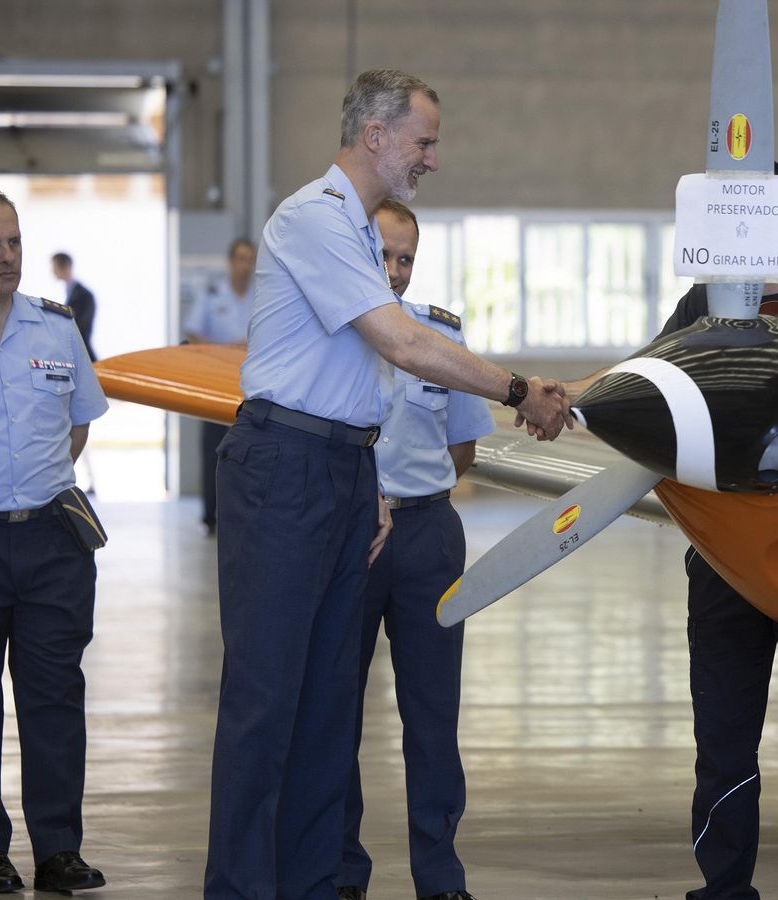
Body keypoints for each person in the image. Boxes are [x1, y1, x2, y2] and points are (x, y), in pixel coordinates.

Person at [204, 68, 570, 900]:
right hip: (284, 472)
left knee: (327, 709)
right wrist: (518, 389)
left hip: (341, 471)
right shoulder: (314, 218)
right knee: (266, 701)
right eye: (423, 141)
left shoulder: (362, 234)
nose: (431, 159)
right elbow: (401, 345)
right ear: (375, 135)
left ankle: (308, 886)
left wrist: (365, 473)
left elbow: (353, 377)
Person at [560, 216, 778, 899]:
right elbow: (645, 377)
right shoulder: (700, 306)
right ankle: (724, 887)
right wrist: (565, 399)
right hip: (723, 557)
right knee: (723, 739)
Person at [335, 200, 491, 900]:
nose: (395, 271)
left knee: (433, 714)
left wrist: (410, 497)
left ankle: (440, 875)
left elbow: (462, 449)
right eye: (384, 256)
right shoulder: (332, 334)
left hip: (427, 534)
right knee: (336, 709)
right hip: (348, 537)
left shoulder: (439, 336)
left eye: (406, 259)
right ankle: (340, 870)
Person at [0, 188, 110, 894]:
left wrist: (34, 486)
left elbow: (79, 424)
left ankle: (58, 849)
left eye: (14, 241)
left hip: (52, 540)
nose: (8, 256)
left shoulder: (56, 327)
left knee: (55, 697)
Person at [182, 237, 257, 535]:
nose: (245, 266)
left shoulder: (260, 297)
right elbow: (192, 334)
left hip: (251, 387)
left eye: (250, 260)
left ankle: (243, 512)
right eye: (240, 259)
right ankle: (210, 515)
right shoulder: (213, 296)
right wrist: (223, 351)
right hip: (216, 383)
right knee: (213, 448)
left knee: (248, 450)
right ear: (230, 262)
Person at [50, 252, 96, 361]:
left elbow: (78, 328)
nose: (52, 270)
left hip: (83, 357)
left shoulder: (84, 295)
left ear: (64, 267)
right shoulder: (71, 292)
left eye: (54, 266)